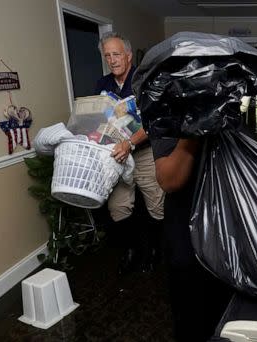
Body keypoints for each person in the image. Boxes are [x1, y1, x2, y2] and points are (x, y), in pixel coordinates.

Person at [96, 31, 165, 273]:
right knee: (118, 207)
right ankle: (131, 249)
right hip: (117, 154)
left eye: (116, 54)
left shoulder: (144, 80)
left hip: (143, 152)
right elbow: (100, 119)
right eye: (107, 56)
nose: (112, 60)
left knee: (156, 204)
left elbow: (153, 121)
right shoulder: (102, 85)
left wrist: (131, 143)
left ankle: (155, 250)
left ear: (127, 55)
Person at [152, 137, 233, 341]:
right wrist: (194, 131)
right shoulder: (165, 108)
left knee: (226, 315)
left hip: (227, 228)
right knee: (192, 316)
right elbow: (169, 180)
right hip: (187, 230)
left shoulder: (227, 107)